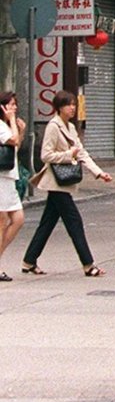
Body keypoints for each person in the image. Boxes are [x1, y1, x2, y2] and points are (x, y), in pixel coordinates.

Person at [21, 90, 112, 277]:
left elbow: (82, 153)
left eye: (73, 104)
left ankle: (29, 261)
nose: (72, 108)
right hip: (55, 182)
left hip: (63, 184)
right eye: (69, 104)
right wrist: (67, 155)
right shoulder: (53, 126)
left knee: (47, 223)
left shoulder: (70, 127)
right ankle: (88, 265)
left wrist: (99, 173)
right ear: (59, 107)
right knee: (74, 221)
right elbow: (45, 155)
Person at [0, 90, 26, 281]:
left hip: (9, 177)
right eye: (11, 104)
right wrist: (12, 120)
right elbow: (13, 140)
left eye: (15, 104)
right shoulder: (1, 125)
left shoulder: (7, 125)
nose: (14, 107)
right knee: (1, 221)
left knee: (18, 219)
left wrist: (20, 129)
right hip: (1, 178)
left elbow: (16, 147)